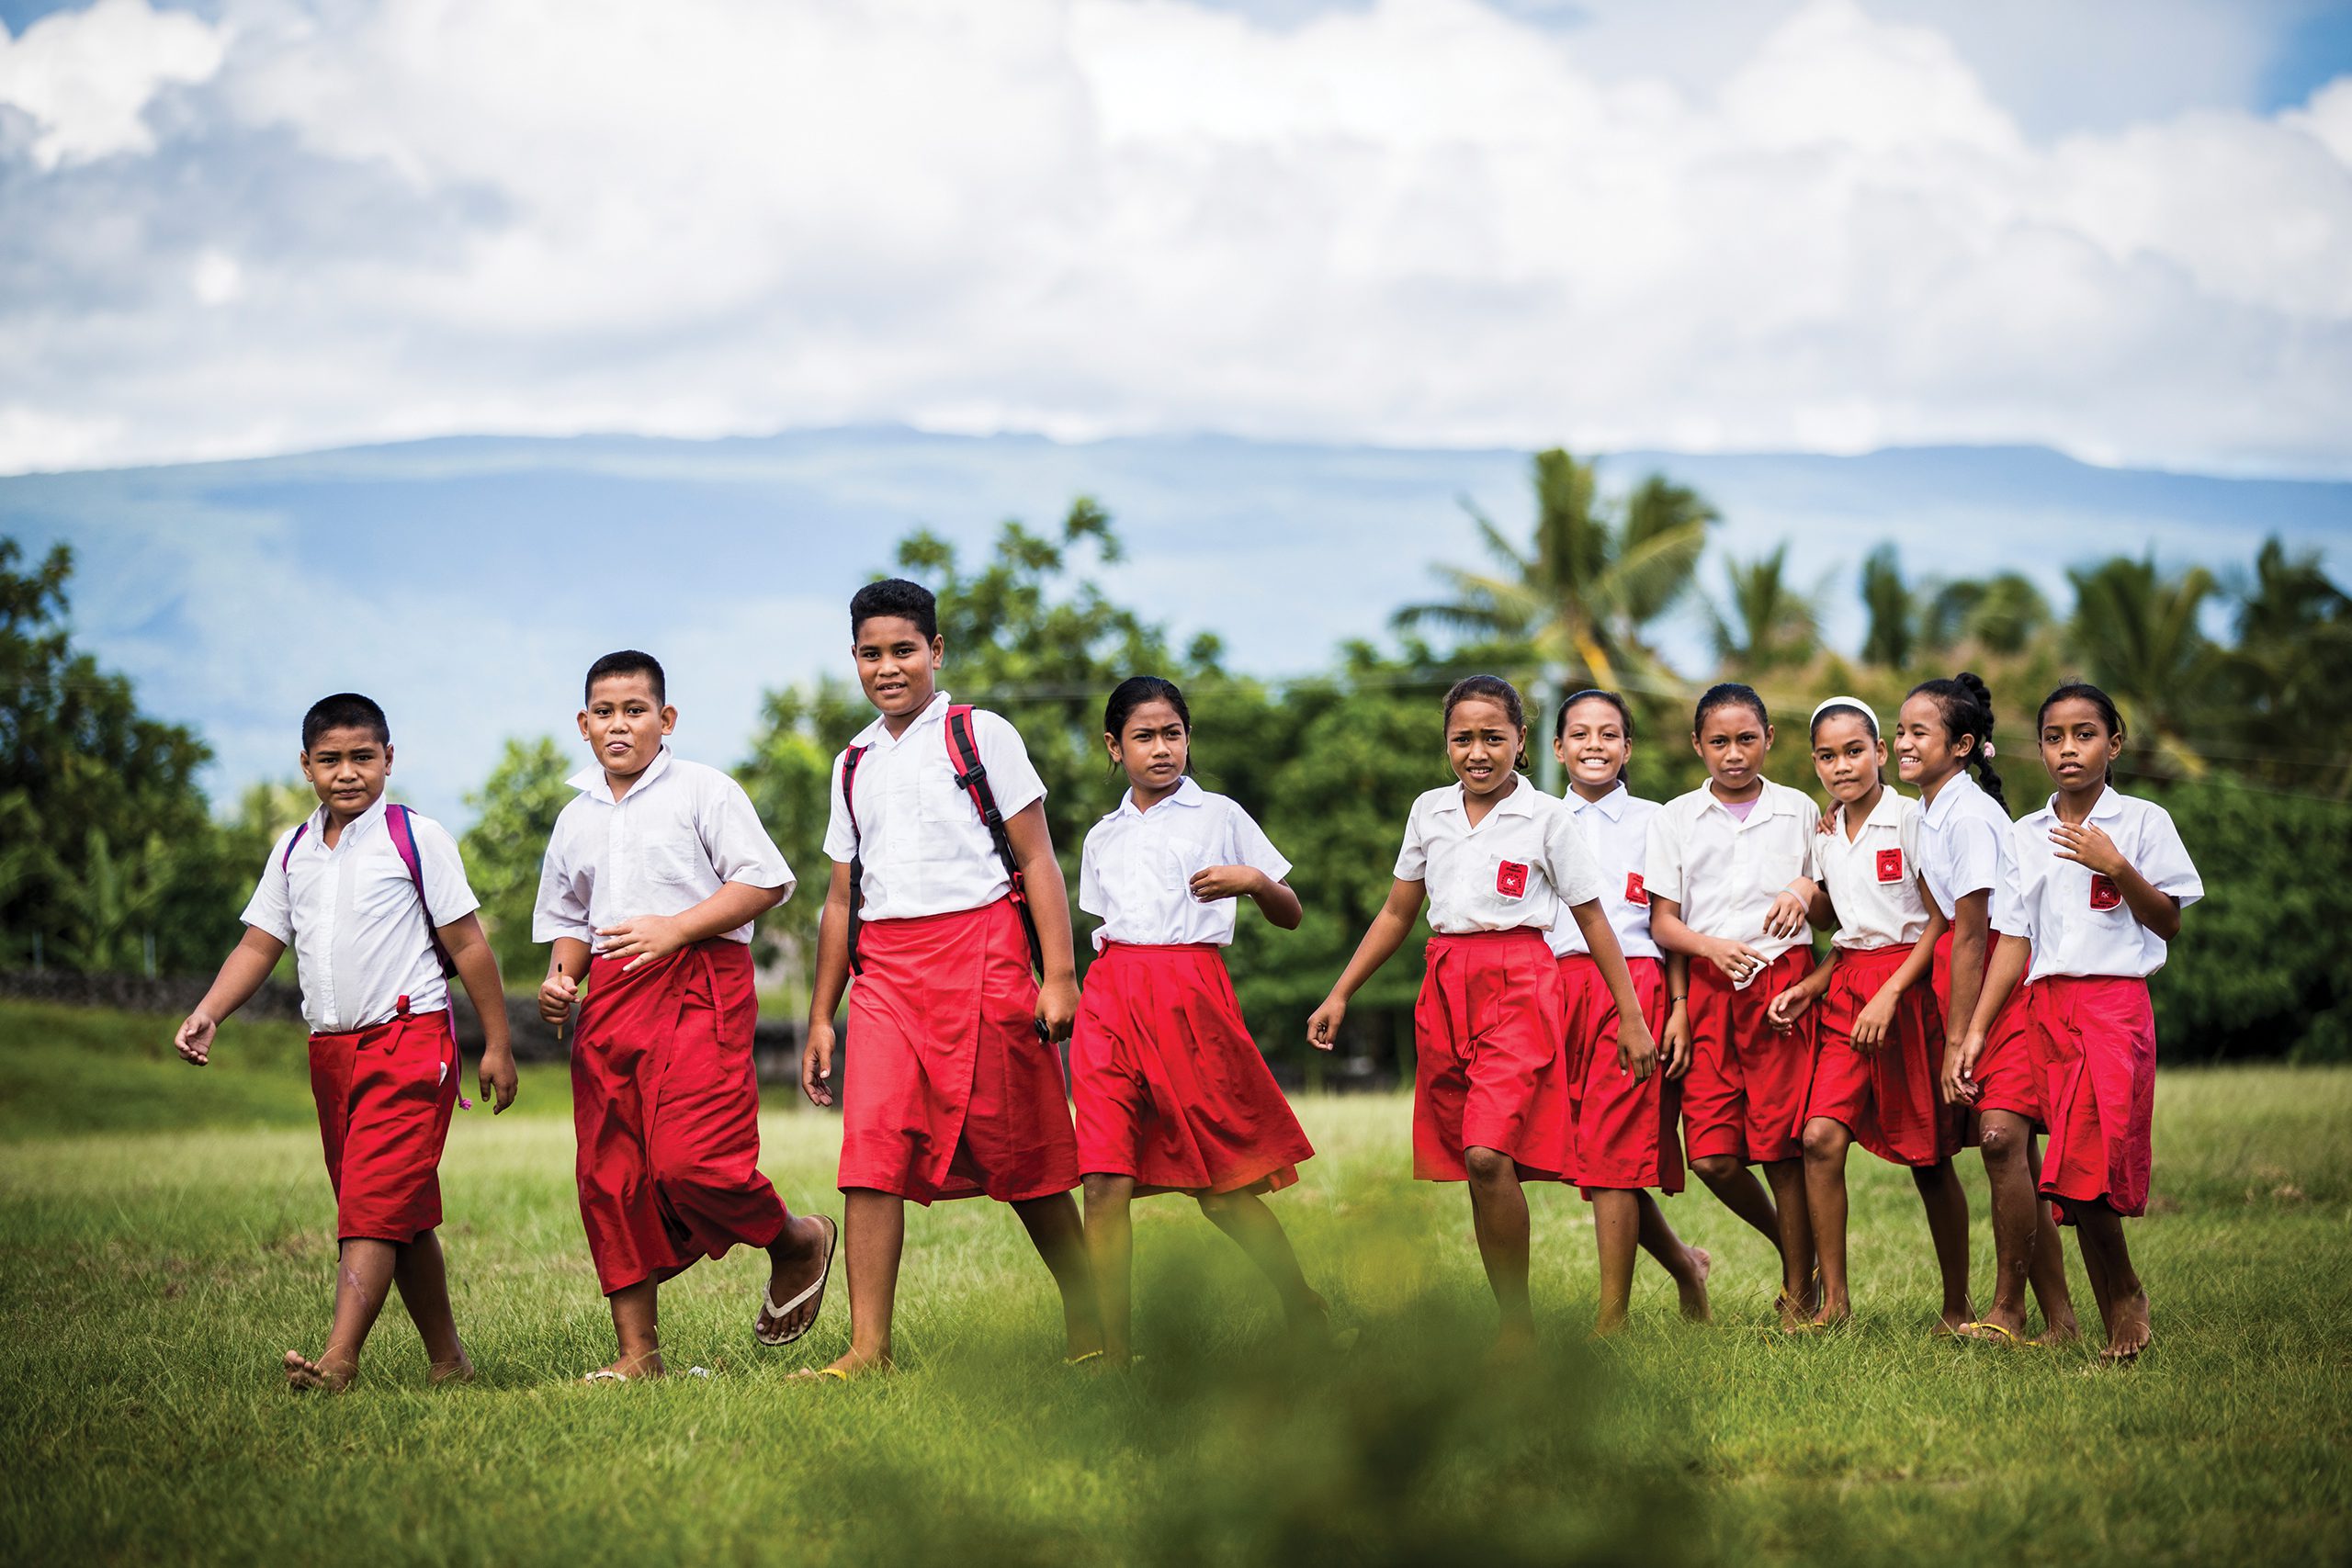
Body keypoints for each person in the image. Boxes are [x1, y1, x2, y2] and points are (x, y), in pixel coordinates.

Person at [799, 580, 1101, 1379]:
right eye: (871, 653)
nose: (888, 667)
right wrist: (823, 1014)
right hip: (887, 975)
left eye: (904, 650)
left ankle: (1091, 1322)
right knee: (870, 1153)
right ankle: (868, 1348)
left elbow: (1036, 858)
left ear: (937, 652)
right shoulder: (853, 760)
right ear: (854, 660)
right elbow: (840, 897)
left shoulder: (979, 734)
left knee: (1024, 1154)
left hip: (986, 959)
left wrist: (1061, 973)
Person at [175, 692, 518, 1392]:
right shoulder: (294, 850)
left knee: (370, 1205)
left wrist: (498, 1044)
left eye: (363, 756)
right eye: (330, 759)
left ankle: (338, 1359)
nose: (348, 772)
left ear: (390, 759)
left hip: (411, 1040)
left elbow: (470, 945)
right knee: (398, 1211)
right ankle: (450, 1361)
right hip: (331, 1053)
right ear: (305, 766)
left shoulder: (416, 837)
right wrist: (210, 1009)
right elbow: (261, 941)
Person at [1307, 675, 1655, 1355]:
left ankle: (1516, 1327)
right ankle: (1513, 1319)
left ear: (1521, 742)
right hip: (1445, 986)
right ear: (1446, 742)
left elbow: (1593, 918)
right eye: (1462, 738)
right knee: (1477, 1164)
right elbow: (1397, 911)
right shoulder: (1428, 812)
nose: (1477, 752)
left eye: (1493, 737)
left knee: (1485, 1150)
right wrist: (1341, 991)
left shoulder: (1547, 818)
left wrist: (1631, 1014)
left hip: (1522, 984)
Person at [536, 650, 836, 1382]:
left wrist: (677, 927)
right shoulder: (575, 818)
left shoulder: (704, 789)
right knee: (611, 1176)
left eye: (635, 710)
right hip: (610, 1001)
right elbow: (571, 915)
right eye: (604, 712)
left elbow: (765, 880)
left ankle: (793, 1237)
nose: (619, 724)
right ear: (582, 724)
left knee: (694, 1160)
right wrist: (560, 977)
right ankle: (639, 1356)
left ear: (665, 719)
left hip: (701, 983)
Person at [1073, 675, 1325, 1366]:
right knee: (1103, 1177)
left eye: (1173, 733)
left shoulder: (1220, 814)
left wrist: (1254, 881)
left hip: (1191, 994)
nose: (1161, 749)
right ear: (1114, 746)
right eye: (1144, 736)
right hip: (1112, 994)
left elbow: (1290, 910)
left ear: (1189, 736)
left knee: (1222, 1191)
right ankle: (1116, 1356)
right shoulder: (1103, 836)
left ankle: (1303, 1304)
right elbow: (1109, 922)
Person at [1960, 682, 2200, 1363]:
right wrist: (1978, 1026)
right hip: (2040, 1007)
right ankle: (2037, 1309)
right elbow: (2012, 938)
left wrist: (2116, 866)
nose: (2069, 748)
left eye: (2085, 734)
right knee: (2020, 1148)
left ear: (2113, 743)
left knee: (2085, 1174)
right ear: (2039, 747)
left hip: (2111, 1007)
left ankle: (2124, 1295)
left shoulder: (2144, 822)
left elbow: (2169, 920)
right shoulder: (2024, 835)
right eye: (2055, 736)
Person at [1768, 698, 1971, 1331]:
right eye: (1827, 756)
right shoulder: (1825, 834)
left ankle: (1957, 1302)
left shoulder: (1913, 821)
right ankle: (1836, 1303)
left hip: (1908, 989)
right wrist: (1813, 984)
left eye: (1854, 750)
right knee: (1819, 1137)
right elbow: (1847, 931)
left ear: (1881, 752)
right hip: (1848, 989)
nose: (1841, 765)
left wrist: (1890, 994)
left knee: (1930, 1158)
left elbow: (1945, 920)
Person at [1897, 672, 2079, 1347]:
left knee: (2003, 1141)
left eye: (1921, 731)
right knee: (2010, 1157)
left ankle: (2008, 1310)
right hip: (1963, 983)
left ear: (1963, 744)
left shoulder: (1971, 815)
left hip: (2005, 985)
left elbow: (1976, 931)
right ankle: (2060, 1321)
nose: (1904, 742)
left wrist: (1959, 1039)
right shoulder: (1926, 812)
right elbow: (1942, 916)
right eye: (1901, 729)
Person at [1644, 683, 1819, 1325]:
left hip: (1783, 987)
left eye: (1747, 738)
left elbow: (1829, 896)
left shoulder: (1801, 810)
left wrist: (1803, 886)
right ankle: (1798, 1249)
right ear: (1697, 745)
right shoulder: (1675, 818)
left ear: (1769, 738)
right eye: (1718, 741)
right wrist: (1705, 957)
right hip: (1710, 986)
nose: (1734, 753)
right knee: (1714, 1155)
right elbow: (1663, 922)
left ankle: (1800, 1292)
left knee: (1781, 1147)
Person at [1548, 689, 1713, 1333]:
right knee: (1592, 1157)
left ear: (1628, 747)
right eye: (1580, 734)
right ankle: (1685, 1266)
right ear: (1557, 747)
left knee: (1615, 1156)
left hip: (1634, 990)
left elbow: (1671, 920)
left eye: (1609, 733)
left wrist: (1675, 1006)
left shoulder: (1658, 819)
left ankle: (1610, 1320)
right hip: (1553, 989)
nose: (1595, 744)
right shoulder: (1533, 815)